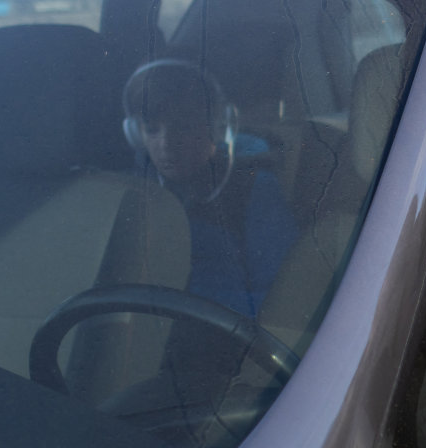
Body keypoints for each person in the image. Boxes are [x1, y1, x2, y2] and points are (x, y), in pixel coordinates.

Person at [122, 58, 297, 319]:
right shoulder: (130, 192)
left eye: (183, 128)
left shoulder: (253, 189)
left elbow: (281, 299)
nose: (167, 144)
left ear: (217, 127)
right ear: (135, 134)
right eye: (152, 130)